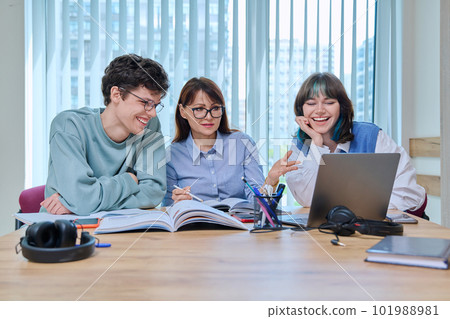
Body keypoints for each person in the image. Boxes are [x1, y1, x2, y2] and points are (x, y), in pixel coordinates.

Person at [40, 54, 170, 215]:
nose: (153, 114)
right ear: (116, 94)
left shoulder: (150, 126)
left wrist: (83, 202)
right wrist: (129, 180)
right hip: (64, 229)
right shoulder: (69, 125)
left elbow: (153, 193)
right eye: (146, 103)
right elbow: (81, 199)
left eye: (156, 105)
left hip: (122, 228)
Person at [284, 72, 427, 217]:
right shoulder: (299, 145)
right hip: (335, 227)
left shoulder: (371, 136)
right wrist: (316, 143)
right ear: (302, 109)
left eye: (329, 102)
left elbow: (410, 195)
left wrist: (350, 210)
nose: (320, 110)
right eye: (311, 103)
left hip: (377, 226)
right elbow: (307, 200)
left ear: (341, 107)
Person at [163, 77, 297, 206]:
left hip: (241, 226)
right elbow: (168, 207)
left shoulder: (242, 143)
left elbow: (258, 203)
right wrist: (178, 203)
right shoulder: (172, 155)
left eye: (215, 108)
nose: (209, 117)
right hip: (197, 228)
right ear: (183, 111)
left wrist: (270, 181)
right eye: (199, 109)